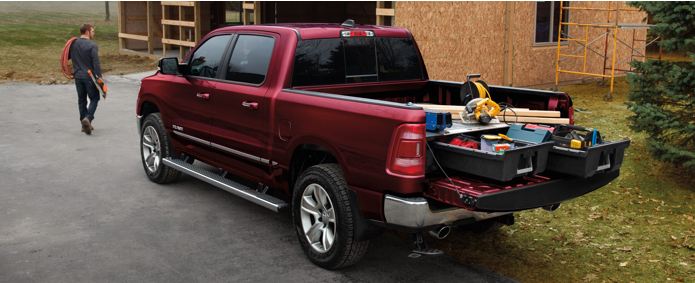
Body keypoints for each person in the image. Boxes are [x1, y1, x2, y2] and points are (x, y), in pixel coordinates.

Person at [69, 23, 102, 135]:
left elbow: (68, 56)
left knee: (82, 100)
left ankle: (84, 125)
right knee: (94, 98)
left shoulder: (73, 44)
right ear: (87, 32)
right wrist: (99, 77)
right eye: (92, 31)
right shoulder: (92, 45)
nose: (94, 33)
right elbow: (96, 62)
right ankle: (87, 118)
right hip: (89, 77)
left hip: (78, 76)